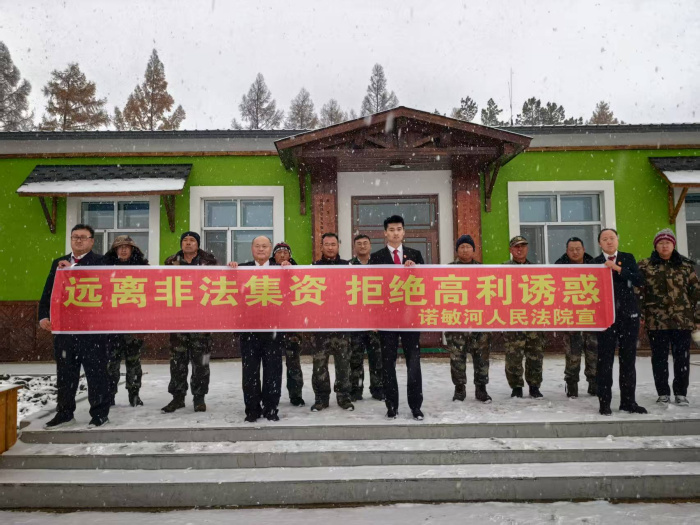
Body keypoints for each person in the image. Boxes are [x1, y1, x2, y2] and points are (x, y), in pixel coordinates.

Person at [38, 224, 111, 428]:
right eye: (75, 237)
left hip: (92, 330)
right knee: (65, 373)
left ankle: (99, 414)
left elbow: (105, 289)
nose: (78, 240)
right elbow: (49, 292)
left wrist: (73, 270)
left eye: (83, 237)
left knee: (96, 373)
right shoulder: (59, 262)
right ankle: (64, 413)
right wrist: (43, 316)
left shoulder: (102, 262)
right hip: (65, 330)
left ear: (92, 241)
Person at [369, 215, 425, 420]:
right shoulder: (376, 257)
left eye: (399, 229)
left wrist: (415, 270)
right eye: (391, 230)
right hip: (386, 318)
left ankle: (416, 406)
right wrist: (374, 319)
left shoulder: (415, 255)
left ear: (404, 232)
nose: (395, 233)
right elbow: (371, 289)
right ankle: (391, 405)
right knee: (388, 363)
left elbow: (424, 284)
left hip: (410, 317)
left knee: (414, 362)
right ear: (385, 233)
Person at [638, 228, 699, 407]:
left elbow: (696, 294)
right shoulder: (645, 266)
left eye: (668, 243)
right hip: (656, 321)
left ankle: (681, 393)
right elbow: (638, 293)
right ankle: (663, 392)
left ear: (673, 245)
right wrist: (640, 315)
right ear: (655, 246)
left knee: (682, 358)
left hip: (682, 320)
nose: (664, 246)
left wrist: (697, 319)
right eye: (661, 243)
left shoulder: (685, 266)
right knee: (659, 358)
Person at [229, 236, 284, 422]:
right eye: (257, 246)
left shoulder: (280, 269)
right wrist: (230, 270)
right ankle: (252, 409)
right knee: (250, 372)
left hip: (273, 329)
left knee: (273, 371)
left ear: (270, 249)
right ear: (252, 249)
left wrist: (290, 270)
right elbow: (229, 291)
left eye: (265, 246)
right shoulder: (242, 269)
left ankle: (271, 408)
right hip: (249, 329)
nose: (261, 249)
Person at [161, 231, 217, 414]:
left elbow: (218, 284)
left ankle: (199, 398)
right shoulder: (171, 262)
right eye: (185, 240)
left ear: (198, 244)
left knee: (201, 362)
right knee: (177, 361)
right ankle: (177, 397)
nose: (188, 243)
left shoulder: (209, 262)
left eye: (192, 240)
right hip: (178, 319)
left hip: (201, 320)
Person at [593, 228, 647, 415]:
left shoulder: (627, 258)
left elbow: (639, 280)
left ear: (617, 240)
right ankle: (604, 403)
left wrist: (618, 269)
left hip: (628, 317)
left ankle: (628, 402)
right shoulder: (594, 263)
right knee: (604, 361)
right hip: (605, 319)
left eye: (612, 238)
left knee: (628, 360)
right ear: (599, 243)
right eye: (604, 239)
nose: (609, 242)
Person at [310, 233, 354, 412]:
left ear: (338, 246)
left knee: (343, 365)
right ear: (321, 246)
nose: (330, 247)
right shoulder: (313, 267)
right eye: (326, 244)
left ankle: (344, 397)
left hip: (342, 324)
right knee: (319, 365)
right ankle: (321, 398)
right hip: (320, 326)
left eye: (333, 244)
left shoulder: (347, 266)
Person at [445, 235, 492, 403]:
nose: (465, 250)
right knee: (457, 358)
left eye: (468, 247)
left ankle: (481, 389)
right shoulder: (447, 270)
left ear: (474, 250)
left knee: (482, 358)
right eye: (462, 247)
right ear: (457, 250)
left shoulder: (483, 269)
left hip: (479, 321)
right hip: (456, 321)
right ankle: (459, 389)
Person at [103, 235, 149, 407]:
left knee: (134, 362)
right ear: (114, 250)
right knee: (111, 363)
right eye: (119, 247)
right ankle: (109, 394)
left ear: (132, 250)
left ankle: (134, 394)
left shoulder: (143, 268)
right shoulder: (104, 268)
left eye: (126, 247)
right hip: (111, 324)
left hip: (133, 323)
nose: (123, 250)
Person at [502, 235, 546, 400]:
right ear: (510, 250)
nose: (519, 249)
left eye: (523, 246)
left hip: (533, 319)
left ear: (527, 249)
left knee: (535, 355)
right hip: (513, 319)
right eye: (516, 246)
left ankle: (534, 387)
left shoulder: (536, 269)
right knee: (513, 356)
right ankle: (516, 387)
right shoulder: (503, 269)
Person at [554, 237, 598, 398]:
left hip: (591, 316)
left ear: (584, 249)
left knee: (593, 352)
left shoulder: (595, 265)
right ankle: (572, 383)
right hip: (570, 316)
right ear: (567, 251)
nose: (575, 252)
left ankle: (594, 382)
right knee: (572, 353)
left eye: (578, 249)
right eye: (571, 249)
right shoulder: (559, 267)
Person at [349, 234, 384, 401]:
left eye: (365, 243)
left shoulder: (380, 265)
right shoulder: (348, 266)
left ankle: (378, 389)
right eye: (359, 244)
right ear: (354, 247)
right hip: (355, 320)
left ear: (370, 245)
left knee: (377, 358)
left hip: (376, 320)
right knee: (355, 358)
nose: (362, 246)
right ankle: (355, 390)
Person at [270, 242, 305, 407]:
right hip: (271, 325)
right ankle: (272, 395)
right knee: (272, 363)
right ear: (274, 256)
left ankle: (296, 395)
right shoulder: (265, 271)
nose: (282, 255)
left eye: (285, 252)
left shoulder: (299, 271)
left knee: (293, 362)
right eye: (279, 252)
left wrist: (291, 272)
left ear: (290, 255)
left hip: (291, 325)